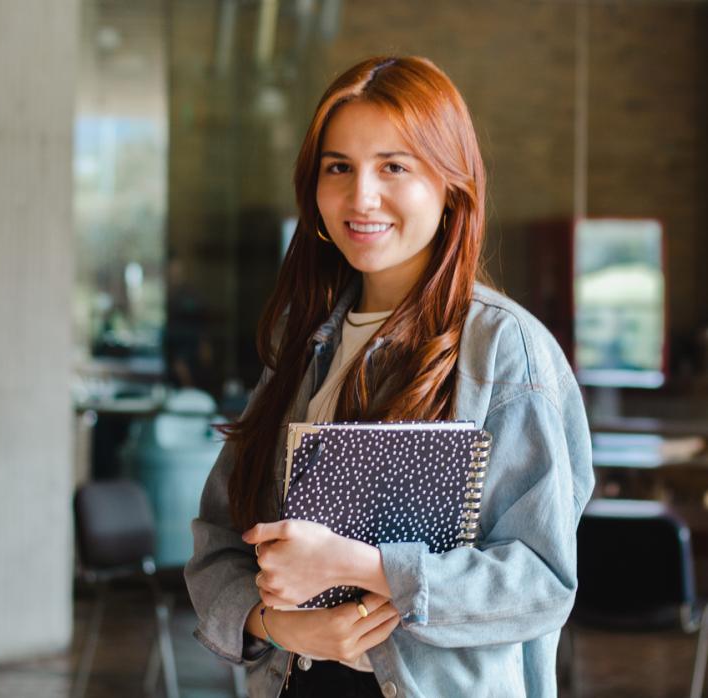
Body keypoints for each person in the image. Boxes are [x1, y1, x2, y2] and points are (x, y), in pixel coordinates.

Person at [184, 55, 594, 698]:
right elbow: (217, 542)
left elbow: (541, 584)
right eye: (338, 167)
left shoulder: (502, 349)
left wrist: (363, 567)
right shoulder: (300, 340)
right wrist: (277, 625)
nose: (361, 196)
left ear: (451, 184)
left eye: (394, 166)